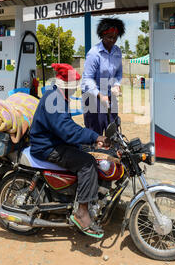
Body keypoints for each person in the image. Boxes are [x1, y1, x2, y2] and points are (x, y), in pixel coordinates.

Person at [30, 63, 110, 239]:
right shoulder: (54, 100)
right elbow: (66, 130)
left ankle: (81, 198)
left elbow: (67, 129)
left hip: (55, 141)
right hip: (46, 147)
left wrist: (91, 140)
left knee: (88, 151)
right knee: (87, 163)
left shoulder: (58, 96)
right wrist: (95, 137)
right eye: (72, 88)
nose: (74, 91)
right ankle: (81, 213)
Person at [81, 17, 125, 135]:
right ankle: (94, 152)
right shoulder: (94, 53)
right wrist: (100, 95)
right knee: (96, 130)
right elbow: (87, 79)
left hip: (110, 93)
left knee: (112, 126)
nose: (112, 40)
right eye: (109, 37)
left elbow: (119, 72)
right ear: (102, 36)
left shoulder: (117, 51)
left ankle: (112, 150)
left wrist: (117, 84)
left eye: (115, 37)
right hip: (93, 95)